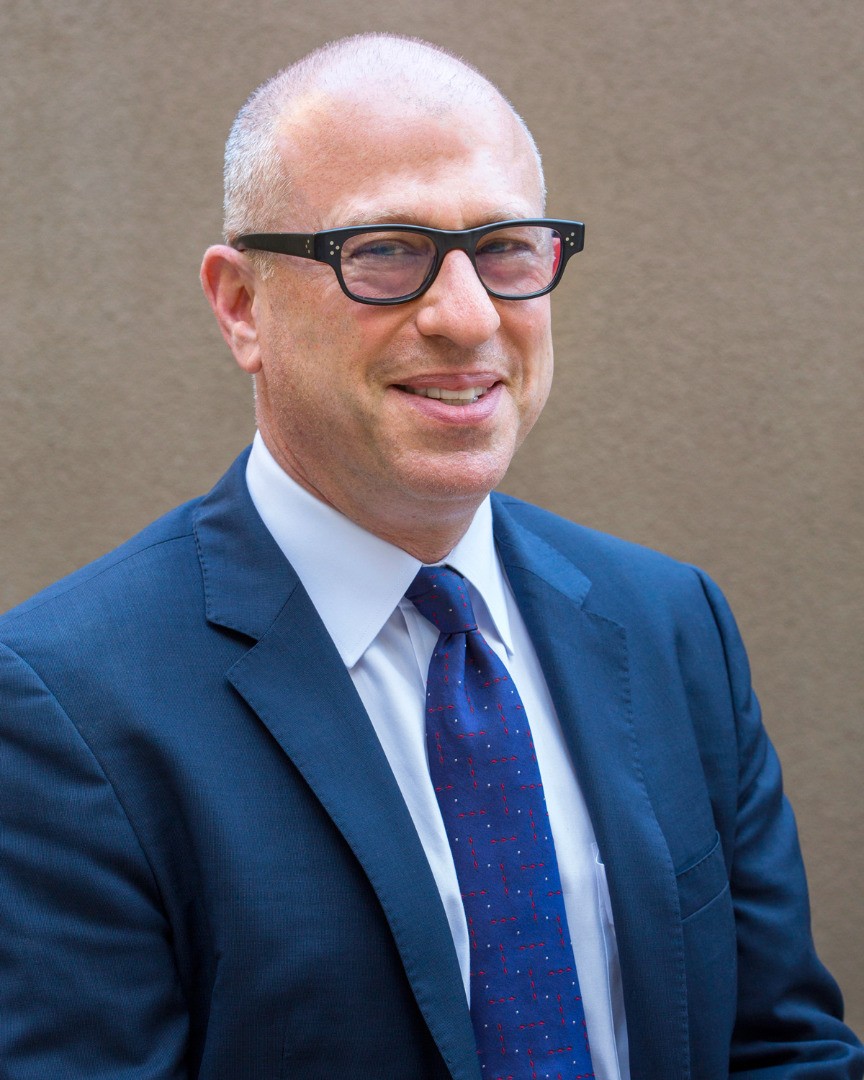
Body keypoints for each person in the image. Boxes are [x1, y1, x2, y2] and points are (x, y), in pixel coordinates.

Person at [0, 32, 860, 1080]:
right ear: (241, 306)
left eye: (507, 249)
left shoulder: (671, 624)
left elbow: (779, 1046)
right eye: (384, 251)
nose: (467, 316)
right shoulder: (61, 705)